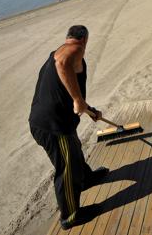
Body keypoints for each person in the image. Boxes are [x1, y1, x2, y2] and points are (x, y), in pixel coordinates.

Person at [29, 25, 108, 230]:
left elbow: (63, 88)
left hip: (55, 120)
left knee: (74, 150)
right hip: (52, 125)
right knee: (67, 168)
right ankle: (70, 215)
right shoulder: (74, 50)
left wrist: (89, 109)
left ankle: (87, 178)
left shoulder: (60, 50)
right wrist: (76, 99)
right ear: (84, 39)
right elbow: (62, 63)